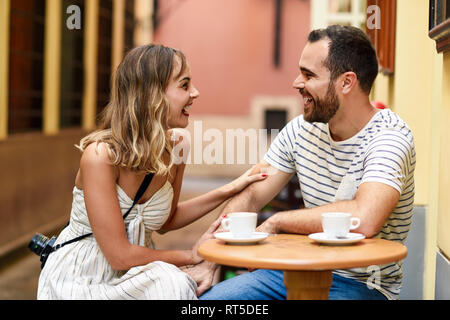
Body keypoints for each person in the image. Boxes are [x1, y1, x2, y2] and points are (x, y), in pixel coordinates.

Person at [200, 25, 416, 300]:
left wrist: (279, 221)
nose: (296, 83)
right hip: (291, 271)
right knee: (210, 303)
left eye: (308, 75)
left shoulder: (389, 137)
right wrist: (208, 264)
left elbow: (364, 218)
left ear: (346, 82)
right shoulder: (300, 130)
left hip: (363, 286)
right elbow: (252, 195)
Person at [37, 44, 266, 300]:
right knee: (173, 284)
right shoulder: (100, 157)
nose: (195, 93)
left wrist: (232, 188)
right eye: (184, 85)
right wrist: (191, 256)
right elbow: (119, 255)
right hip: (83, 276)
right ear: (151, 94)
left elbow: (167, 220)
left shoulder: (177, 145)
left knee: (174, 285)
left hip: (138, 273)